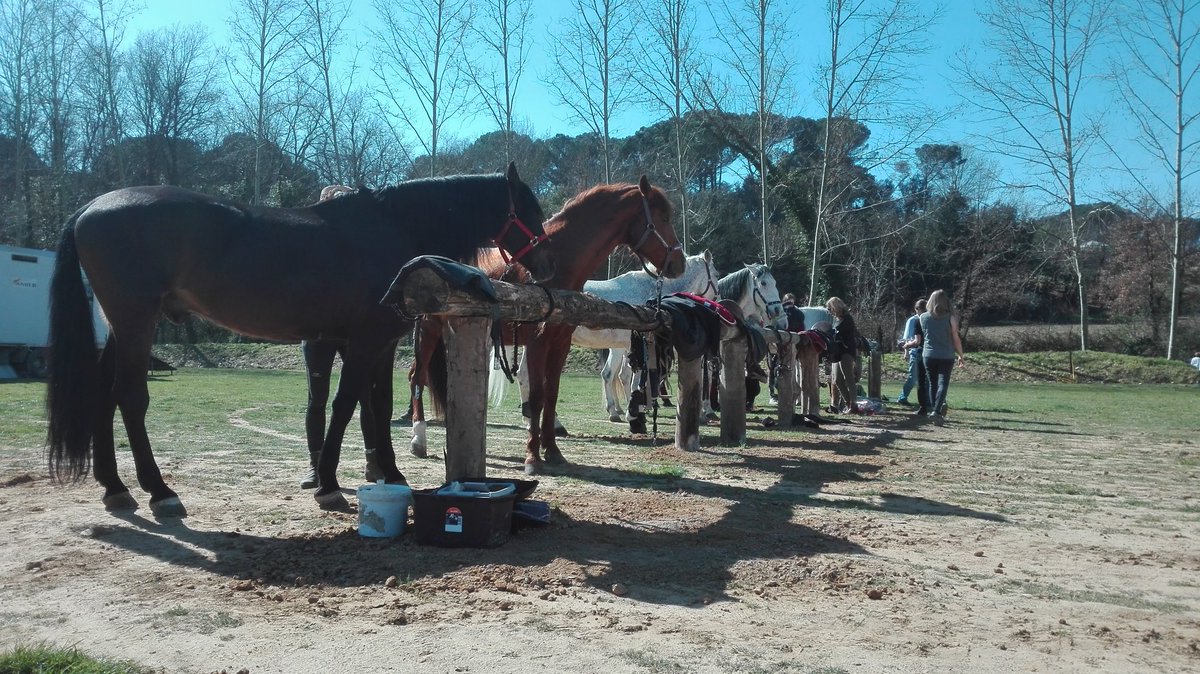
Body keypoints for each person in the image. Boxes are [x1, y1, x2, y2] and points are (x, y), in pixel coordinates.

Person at [920, 289, 965, 426]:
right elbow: (956, 338)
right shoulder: (951, 318)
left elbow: (926, 335)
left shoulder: (923, 317)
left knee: (932, 383)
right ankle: (937, 411)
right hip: (946, 355)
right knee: (943, 383)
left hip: (929, 354)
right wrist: (961, 355)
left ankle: (934, 409)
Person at [825, 296, 860, 413]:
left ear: (835, 307)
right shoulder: (836, 319)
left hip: (846, 351)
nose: (829, 311)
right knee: (837, 379)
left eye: (830, 308)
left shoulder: (847, 319)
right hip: (837, 352)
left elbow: (838, 332)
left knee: (848, 377)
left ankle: (853, 405)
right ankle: (848, 402)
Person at [897, 299, 927, 405]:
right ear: (916, 309)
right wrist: (906, 351)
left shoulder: (927, 319)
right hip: (914, 351)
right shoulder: (912, 320)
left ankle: (927, 400)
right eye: (920, 309)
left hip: (925, 352)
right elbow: (907, 339)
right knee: (913, 377)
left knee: (925, 378)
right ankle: (902, 397)